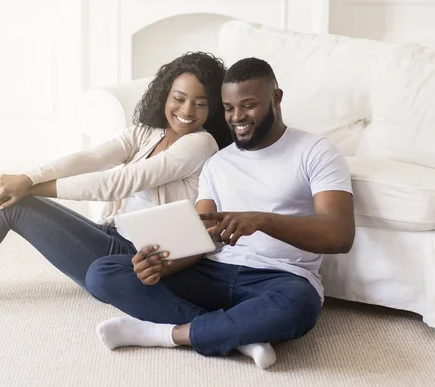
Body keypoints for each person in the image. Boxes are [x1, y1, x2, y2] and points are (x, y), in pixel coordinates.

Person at [0, 52, 233, 314]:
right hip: (111, 235)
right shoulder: (147, 132)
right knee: (0, 194)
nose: (186, 111)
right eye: (179, 98)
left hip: (138, 259)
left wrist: (29, 189)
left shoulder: (200, 143)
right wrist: (27, 177)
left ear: (213, 108)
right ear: (166, 94)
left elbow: (121, 181)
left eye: (200, 103)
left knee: (14, 205)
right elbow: (89, 157)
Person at [85, 57, 355, 370]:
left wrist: (262, 220)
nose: (237, 117)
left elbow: (339, 235)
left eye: (249, 105)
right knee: (104, 272)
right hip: (215, 271)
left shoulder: (316, 151)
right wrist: (164, 265)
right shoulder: (218, 163)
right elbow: (199, 236)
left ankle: (167, 334)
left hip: (281, 277)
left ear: (276, 98)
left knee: (300, 307)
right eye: (228, 108)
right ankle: (239, 336)